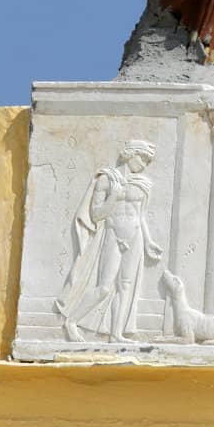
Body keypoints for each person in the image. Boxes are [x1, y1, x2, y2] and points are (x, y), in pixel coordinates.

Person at [55, 139, 163, 341]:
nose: (144, 164)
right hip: (113, 234)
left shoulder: (142, 184)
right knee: (105, 287)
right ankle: (71, 321)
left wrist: (148, 242)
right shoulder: (107, 179)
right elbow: (96, 215)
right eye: (143, 158)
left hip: (136, 235)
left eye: (148, 161)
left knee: (125, 286)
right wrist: (114, 196)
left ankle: (116, 333)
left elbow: (141, 216)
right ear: (130, 154)